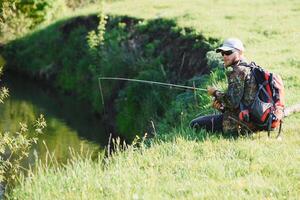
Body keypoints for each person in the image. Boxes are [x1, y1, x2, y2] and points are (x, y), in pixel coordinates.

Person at [190, 38, 258, 135]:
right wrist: (221, 108)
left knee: (194, 124)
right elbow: (242, 102)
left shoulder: (238, 71)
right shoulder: (249, 67)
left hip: (240, 125)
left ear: (240, 52)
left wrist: (215, 93)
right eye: (223, 53)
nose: (225, 56)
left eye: (228, 52)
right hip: (250, 120)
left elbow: (232, 102)